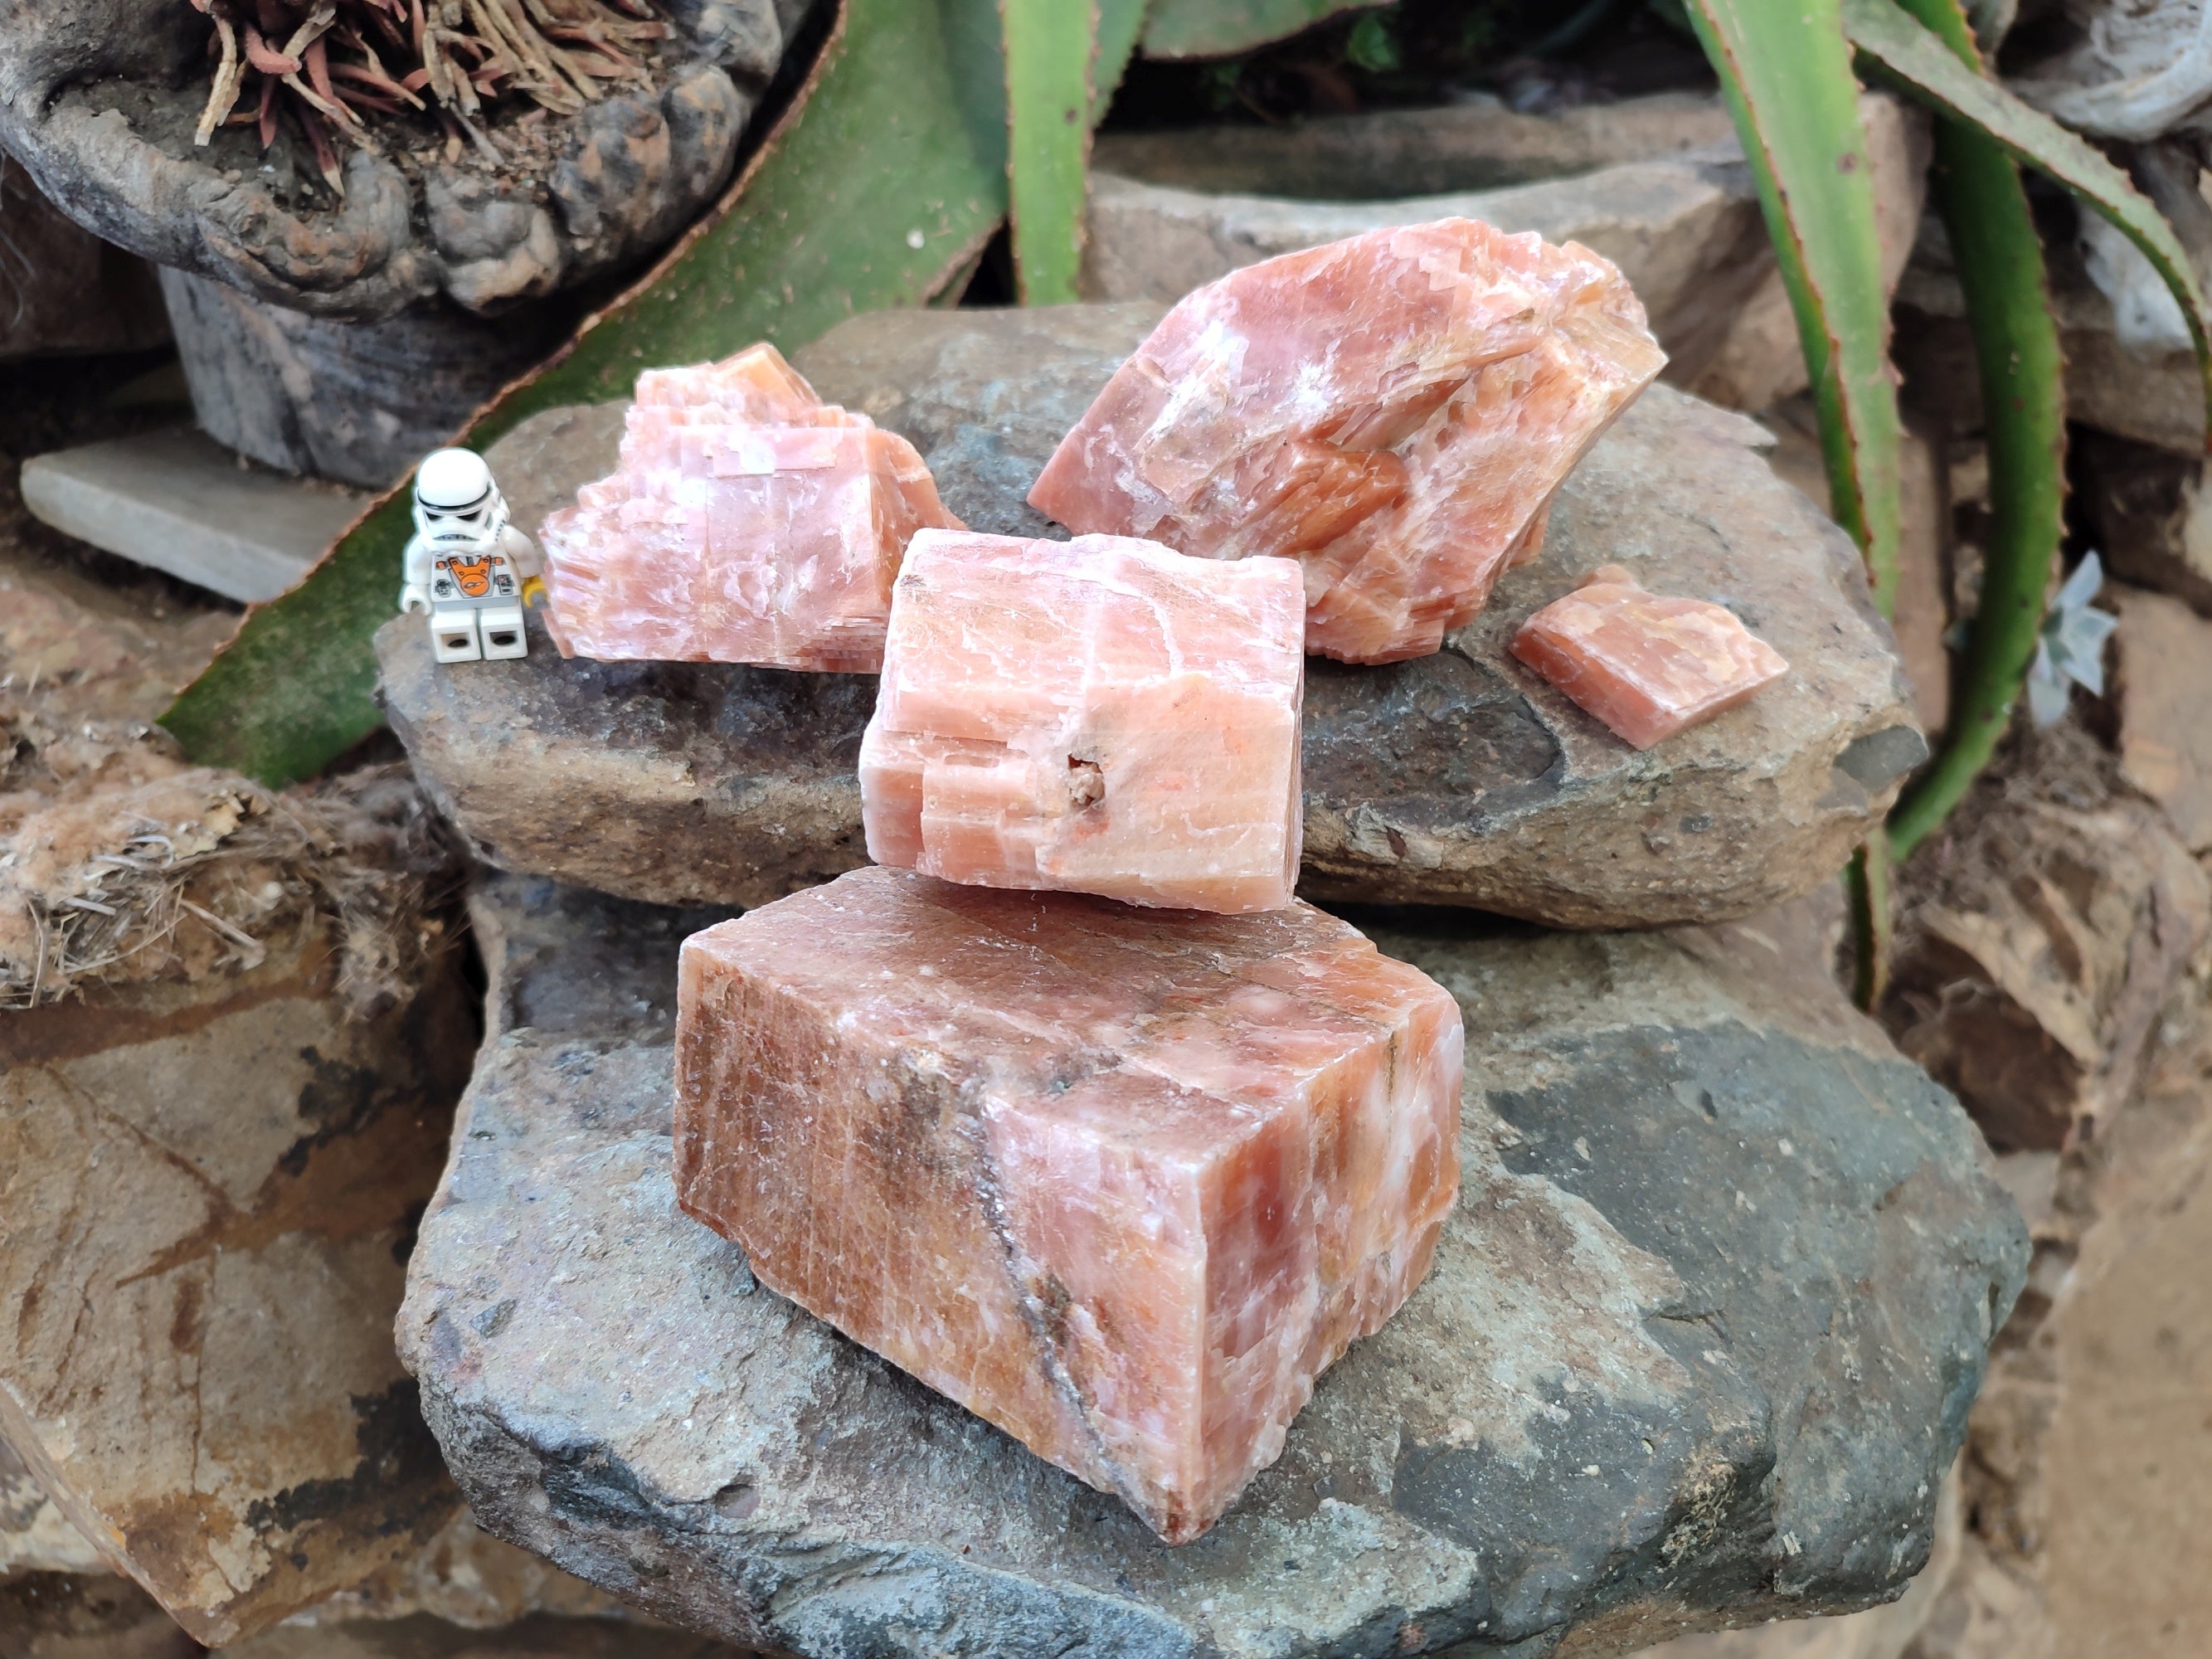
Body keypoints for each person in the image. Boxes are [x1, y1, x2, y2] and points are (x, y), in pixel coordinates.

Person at [398, 447, 544, 663]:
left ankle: (504, 642)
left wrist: (532, 579)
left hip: (499, 597)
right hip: (449, 599)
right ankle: (456, 644)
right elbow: (416, 562)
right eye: (436, 516)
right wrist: (416, 587)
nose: (451, 528)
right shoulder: (426, 545)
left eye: (468, 516)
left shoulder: (505, 538)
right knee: (451, 624)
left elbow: (523, 553)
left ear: (492, 499)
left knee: (502, 622)